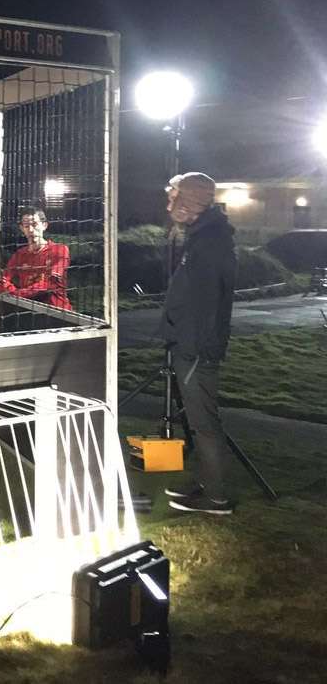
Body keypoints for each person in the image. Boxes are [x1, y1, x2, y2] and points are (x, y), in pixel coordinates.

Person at [158, 173, 238, 516]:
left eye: (174, 197)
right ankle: (206, 484)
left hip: (195, 349)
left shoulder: (209, 244)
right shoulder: (202, 237)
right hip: (189, 343)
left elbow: (209, 304)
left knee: (204, 423)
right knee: (198, 420)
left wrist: (196, 349)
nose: (168, 203)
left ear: (188, 201)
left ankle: (217, 498)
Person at [0, 206, 72, 310]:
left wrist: (17, 294)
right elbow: (1, 282)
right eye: (26, 226)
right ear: (22, 228)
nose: (31, 230)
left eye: (34, 224)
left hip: (57, 312)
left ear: (44, 225)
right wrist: (17, 294)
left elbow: (49, 284)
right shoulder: (19, 255)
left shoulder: (60, 250)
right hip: (28, 311)